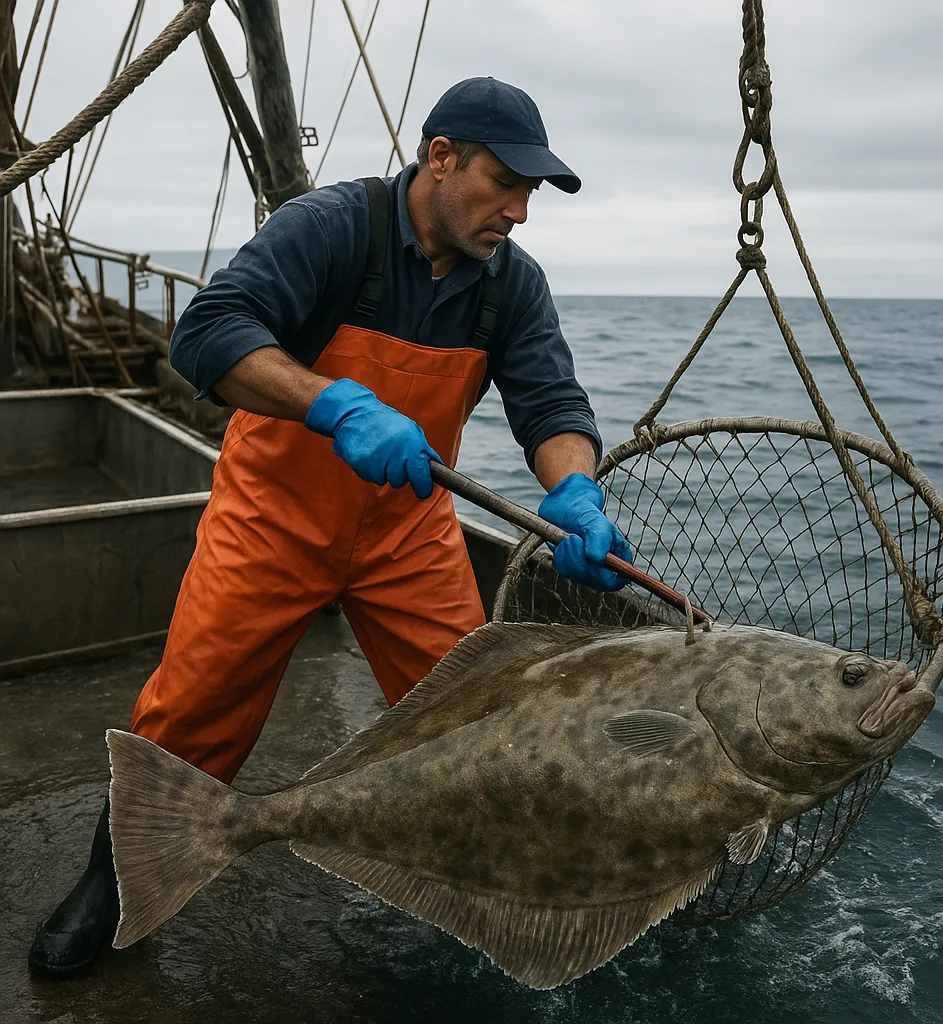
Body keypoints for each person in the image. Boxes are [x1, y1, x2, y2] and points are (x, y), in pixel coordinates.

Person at [28, 76, 632, 979]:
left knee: (477, 719)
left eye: (530, 193)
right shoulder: (332, 228)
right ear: (440, 158)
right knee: (195, 709)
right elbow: (206, 333)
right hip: (274, 514)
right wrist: (335, 405)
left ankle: (481, 886)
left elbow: (551, 403)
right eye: (505, 183)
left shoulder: (511, 284)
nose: (519, 210)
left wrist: (576, 491)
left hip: (406, 532)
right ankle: (113, 885)